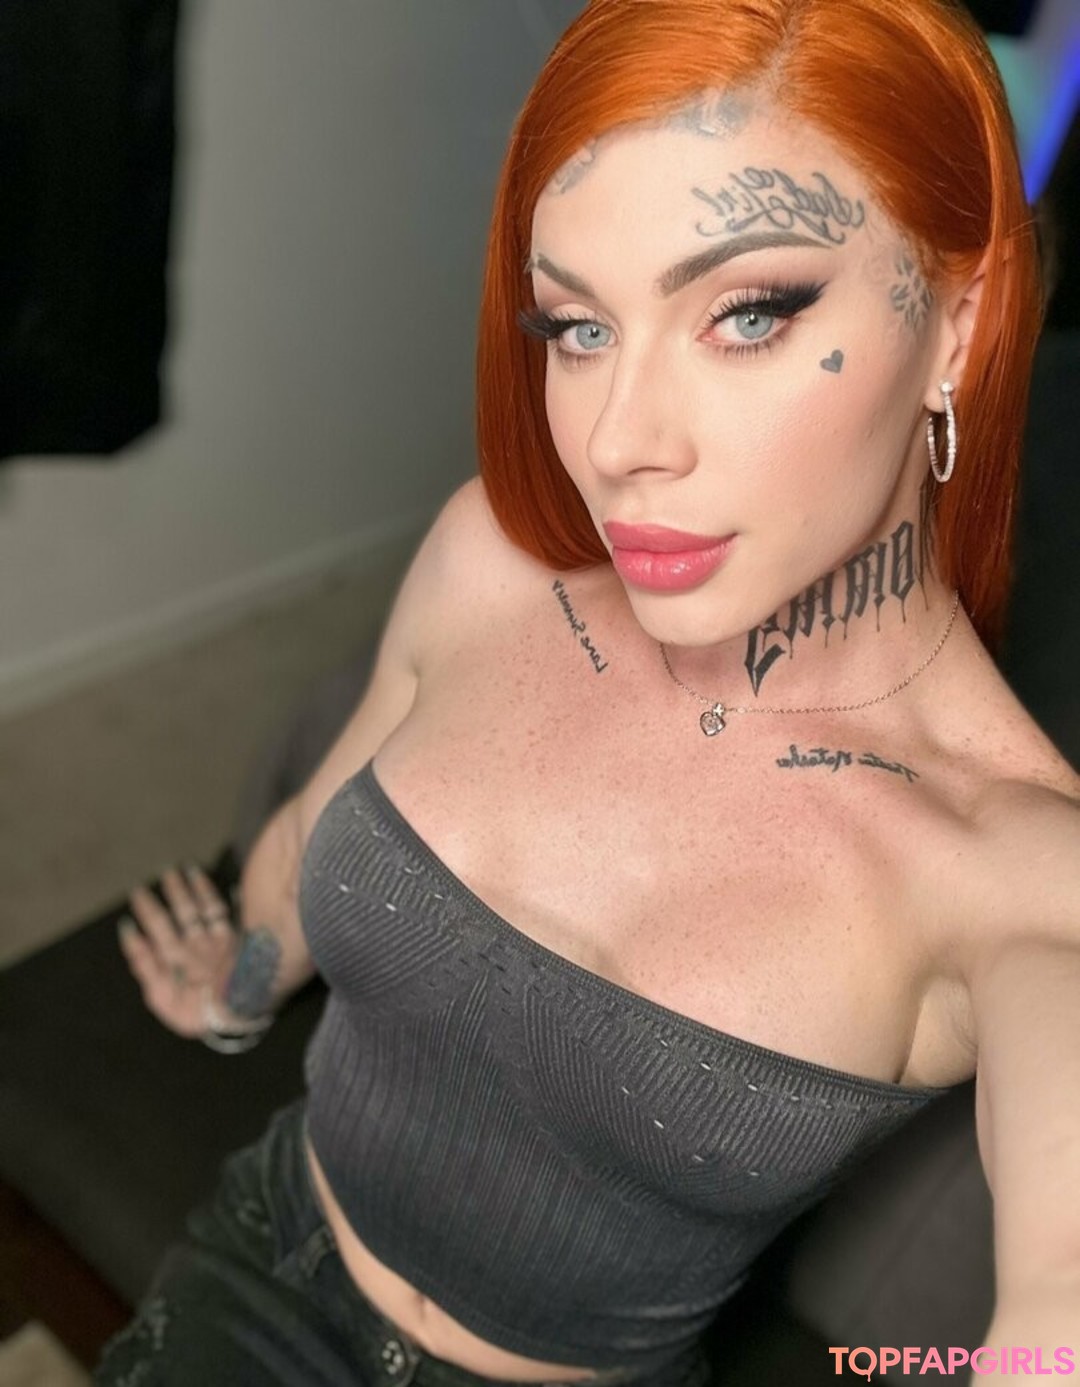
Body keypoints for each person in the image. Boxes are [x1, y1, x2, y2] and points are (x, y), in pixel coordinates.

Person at [101, 0, 1080, 1382]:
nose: (619, 441)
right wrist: (238, 987)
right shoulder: (491, 561)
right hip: (265, 1260)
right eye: (576, 327)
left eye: (746, 314)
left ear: (960, 328)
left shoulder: (1024, 874)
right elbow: (319, 825)